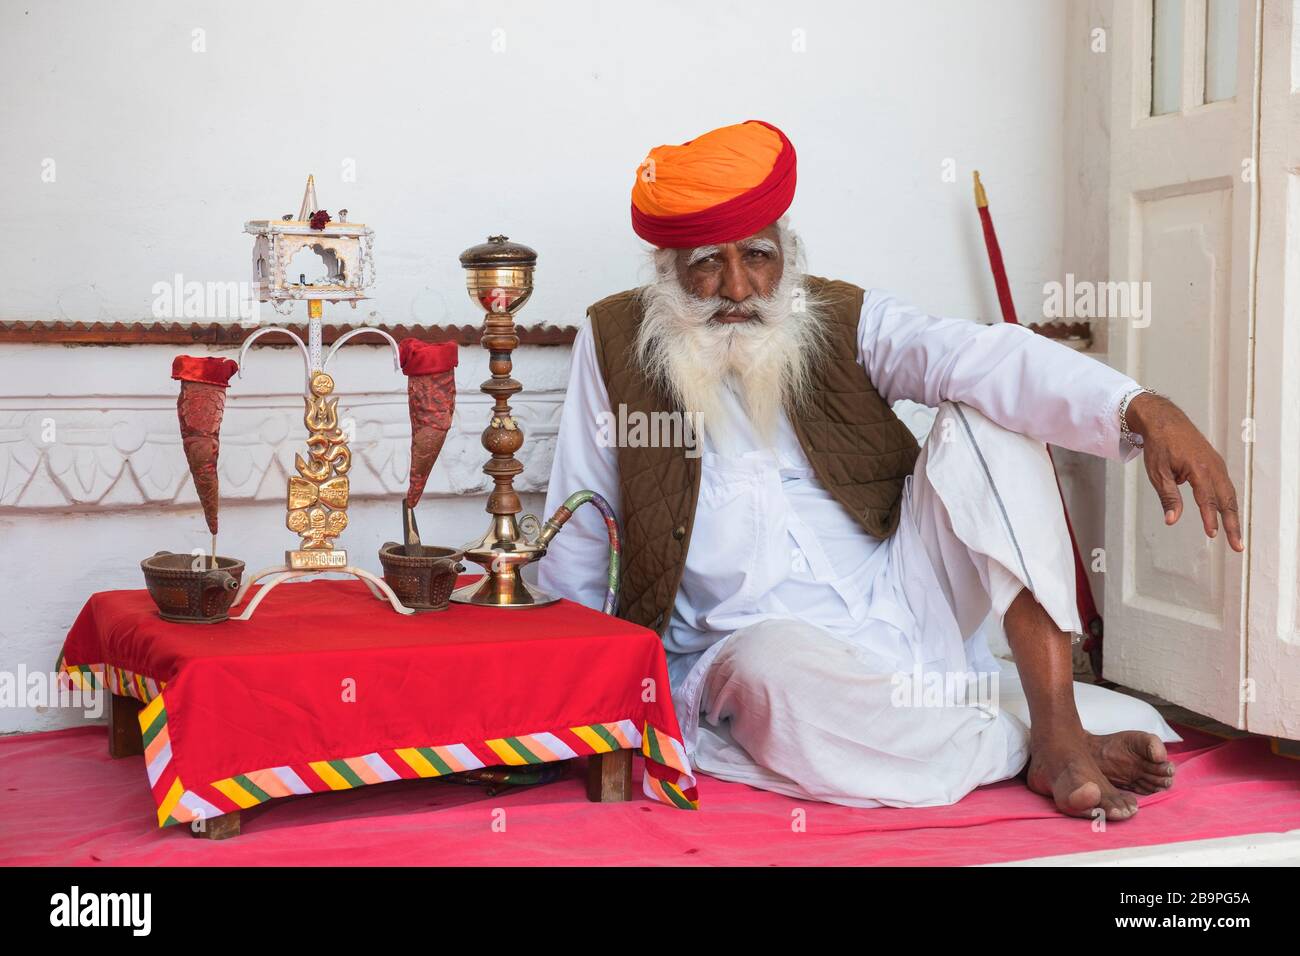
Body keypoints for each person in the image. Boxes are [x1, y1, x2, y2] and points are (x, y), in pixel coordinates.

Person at [539, 120, 1243, 820]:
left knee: (987, 415)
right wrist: (568, 706)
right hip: (755, 645)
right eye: (705, 263)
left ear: (786, 252)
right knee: (774, 681)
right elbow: (579, 521)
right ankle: (1031, 743)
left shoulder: (841, 316)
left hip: (904, 601)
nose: (737, 287)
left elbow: (974, 354)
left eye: (756, 256)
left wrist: (1141, 407)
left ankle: (1057, 724)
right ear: (667, 269)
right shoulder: (615, 346)